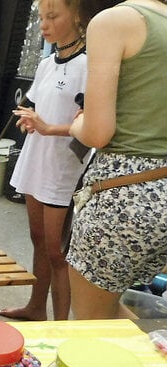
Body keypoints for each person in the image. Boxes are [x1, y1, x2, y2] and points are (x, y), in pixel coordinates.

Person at [67, 0, 167, 319]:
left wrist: (76, 124)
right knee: (110, 312)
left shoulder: (115, 21)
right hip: (160, 193)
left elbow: (97, 132)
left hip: (124, 194)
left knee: (93, 326)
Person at [0, 0, 92, 321]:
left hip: (63, 168)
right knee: (38, 240)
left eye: (52, 17)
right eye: (41, 18)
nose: (43, 25)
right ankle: (37, 308)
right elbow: (37, 107)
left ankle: (61, 325)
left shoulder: (90, 65)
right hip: (36, 159)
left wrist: (50, 127)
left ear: (77, 16)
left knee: (57, 251)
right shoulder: (47, 64)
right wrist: (30, 119)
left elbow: (94, 127)